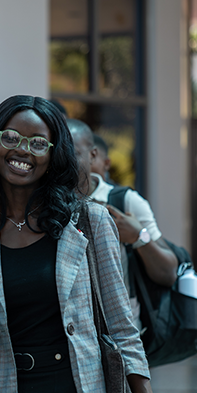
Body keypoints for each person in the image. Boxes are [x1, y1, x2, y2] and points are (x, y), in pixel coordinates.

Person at [0, 96, 151, 393]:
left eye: (37, 143)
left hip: (79, 386)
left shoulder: (90, 221)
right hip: (6, 385)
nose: (22, 150)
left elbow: (122, 329)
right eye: (10, 137)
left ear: (53, 154)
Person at [68, 119, 178, 328]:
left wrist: (139, 237)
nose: (63, 160)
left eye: (72, 152)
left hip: (119, 333)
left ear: (92, 155)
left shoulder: (125, 201)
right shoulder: (42, 203)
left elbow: (168, 272)